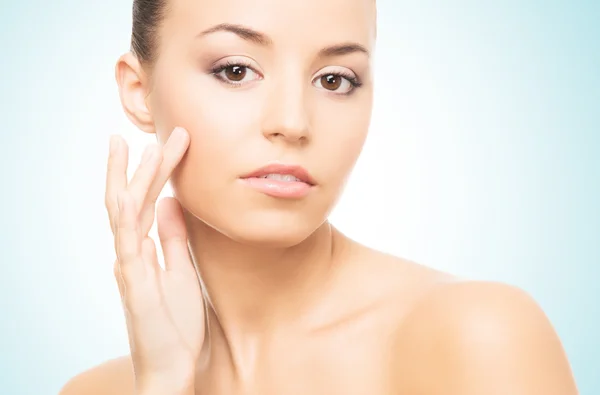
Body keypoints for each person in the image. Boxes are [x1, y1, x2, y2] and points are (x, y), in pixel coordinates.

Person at [60, 0, 578, 394]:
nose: (292, 121)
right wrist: (166, 384)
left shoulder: (477, 339)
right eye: (237, 71)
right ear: (137, 91)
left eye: (334, 79)